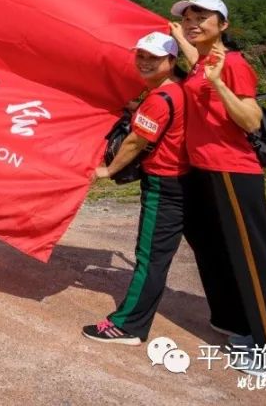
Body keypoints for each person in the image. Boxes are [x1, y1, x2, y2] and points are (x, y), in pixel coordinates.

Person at [173, 0, 266, 379]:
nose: (192, 23)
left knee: (255, 259)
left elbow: (251, 120)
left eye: (201, 17)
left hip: (232, 171)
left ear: (223, 25)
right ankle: (251, 331)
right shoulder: (204, 62)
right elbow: (195, 63)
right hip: (207, 170)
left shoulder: (232, 64)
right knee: (227, 254)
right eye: (187, 18)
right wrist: (178, 38)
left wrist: (220, 85)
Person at [82, 32, 188, 345]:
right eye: (141, 55)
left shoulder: (159, 100)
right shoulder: (174, 92)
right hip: (183, 181)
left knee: (150, 257)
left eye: (153, 58)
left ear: (171, 61)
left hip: (165, 186)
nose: (143, 62)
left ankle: (128, 326)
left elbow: (137, 140)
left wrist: (108, 170)